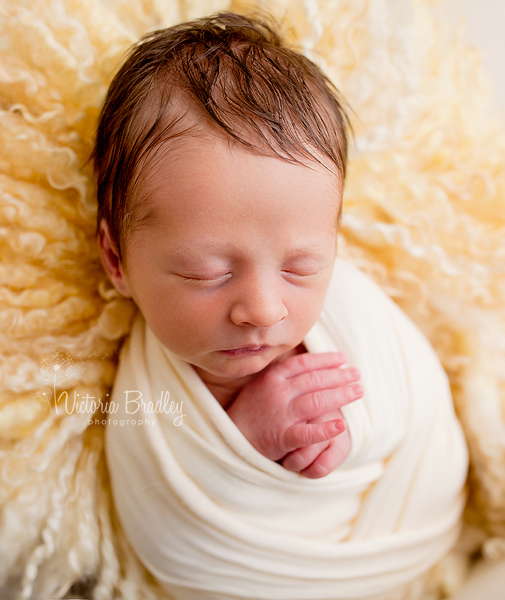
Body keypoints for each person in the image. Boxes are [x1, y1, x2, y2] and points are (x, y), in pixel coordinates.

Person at [95, 12, 469, 600]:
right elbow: (165, 523)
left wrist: (349, 437)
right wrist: (244, 446)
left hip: (410, 534)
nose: (264, 310)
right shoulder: (144, 399)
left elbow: (415, 404)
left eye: (301, 267)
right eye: (206, 273)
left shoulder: (353, 313)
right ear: (117, 261)